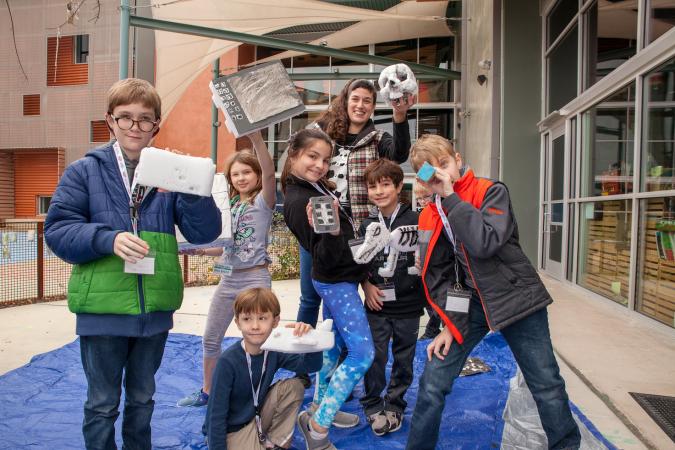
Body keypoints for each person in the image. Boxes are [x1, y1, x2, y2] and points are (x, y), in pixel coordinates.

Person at [44, 78, 222, 450]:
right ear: (110, 121)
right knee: (102, 404)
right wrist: (106, 239)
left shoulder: (169, 171)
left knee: (142, 400)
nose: (135, 127)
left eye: (144, 119)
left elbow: (205, 232)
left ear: (156, 125)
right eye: (125, 118)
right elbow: (58, 231)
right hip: (103, 310)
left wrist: (189, 191)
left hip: (153, 310)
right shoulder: (84, 171)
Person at [405, 134, 581, 450]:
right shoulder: (429, 214)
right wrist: (449, 322)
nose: (441, 174)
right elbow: (442, 274)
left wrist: (450, 197)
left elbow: (485, 243)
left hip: (516, 299)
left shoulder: (490, 191)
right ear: (422, 178)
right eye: (431, 172)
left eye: (444, 164)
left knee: (545, 384)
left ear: (457, 160)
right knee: (433, 382)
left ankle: (566, 445)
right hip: (471, 304)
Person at [295, 78, 415, 386]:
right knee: (310, 298)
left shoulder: (377, 138)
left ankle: (340, 367)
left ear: (374, 107)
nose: (360, 105)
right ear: (346, 100)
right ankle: (304, 365)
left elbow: (400, 154)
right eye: (356, 99)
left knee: (345, 299)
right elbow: (302, 156)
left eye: (367, 101)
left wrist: (400, 116)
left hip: (357, 228)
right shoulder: (325, 132)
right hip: (319, 221)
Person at [281, 128, 375, 450]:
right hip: (336, 284)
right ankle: (317, 428)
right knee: (363, 354)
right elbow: (323, 254)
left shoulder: (312, 187)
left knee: (332, 347)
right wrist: (335, 232)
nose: (321, 165)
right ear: (293, 154)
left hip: (340, 279)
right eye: (312, 157)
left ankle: (319, 409)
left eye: (325, 159)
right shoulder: (299, 200)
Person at [177, 131, 277, 408]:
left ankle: (256, 394)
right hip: (229, 279)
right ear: (229, 180)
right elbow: (222, 248)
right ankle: (207, 391)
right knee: (210, 338)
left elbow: (270, 174)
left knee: (256, 339)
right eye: (235, 174)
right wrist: (195, 249)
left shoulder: (262, 202)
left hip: (255, 279)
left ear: (256, 176)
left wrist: (257, 139)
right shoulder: (229, 206)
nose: (242, 177)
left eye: (247, 172)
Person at [204, 287, 323, 450]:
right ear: (238, 322)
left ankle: (274, 443)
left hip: (256, 417)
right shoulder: (228, 362)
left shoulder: (273, 349)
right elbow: (215, 415)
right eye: (247, 319)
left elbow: (312, 366)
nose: (255, 326)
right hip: (233, 430)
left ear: (275, 321)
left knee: (294, 386)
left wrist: (312, 340)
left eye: (262, 318)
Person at [358, 159, 424, 436]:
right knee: (374, 356)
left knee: (404, 357)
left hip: (409, 305)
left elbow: (430, 257)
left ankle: (395, 403)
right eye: (373, 186)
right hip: (377, 303)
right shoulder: (366, 224)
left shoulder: (417, 220)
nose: (379, 191)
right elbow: (358, 263)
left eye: (385, 185)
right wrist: (366, 286)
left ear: (399, 186)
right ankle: (372, 403)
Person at [414, 181, 442, 340]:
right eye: (419, 198)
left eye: (426, 197)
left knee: (439, 303)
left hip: (439, 266)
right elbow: (421, 241)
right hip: (425, 267)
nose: (423, 201)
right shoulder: (423, 215)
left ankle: (433, 330)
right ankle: (434, 329)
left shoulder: (441, 212)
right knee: (428, 301)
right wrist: (417, 257)